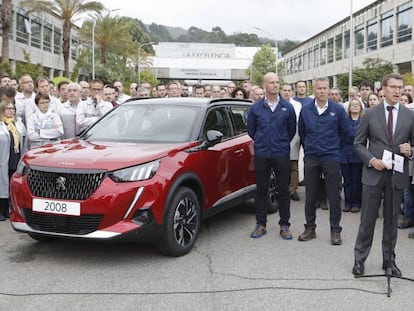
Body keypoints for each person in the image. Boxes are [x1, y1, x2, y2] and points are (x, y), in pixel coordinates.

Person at [352, 73, 414, 277]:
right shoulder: (370, 114)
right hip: (373, 174)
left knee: (391, 222)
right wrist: (371, 160)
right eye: (393, 87)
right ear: (383, 89)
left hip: (397, 176)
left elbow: (413, 145)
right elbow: (358, 144)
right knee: (367, 221)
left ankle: (389, 262)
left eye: (400, 88)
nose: (397, 91)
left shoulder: (410, 115)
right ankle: (359, 260)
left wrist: (410, 151)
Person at [298, 77, 349, 245]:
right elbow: (302, 133)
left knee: (334, 195)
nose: (322, 91)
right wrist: (310, 147)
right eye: (319, 88)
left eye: (325, 88)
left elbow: (345, 132)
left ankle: (335, 230)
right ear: (314, 89)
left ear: (329, 89)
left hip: (331, 156)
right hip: (312, 156)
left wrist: (334, 149)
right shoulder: (306, 110)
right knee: (310, 194)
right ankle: (310, 228)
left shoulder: (338, 109)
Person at [247, 72, 296, 240]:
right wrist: (262, 142)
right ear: (264, 85)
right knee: (261, 190)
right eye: (272, 82)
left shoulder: (287, 107)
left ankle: (285, 225)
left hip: (281, 153)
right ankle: (261, 224)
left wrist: (280, 143)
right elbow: (251, 130)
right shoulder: (255, 108)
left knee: (283, 190)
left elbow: (291, 130)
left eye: (277, 82)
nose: (275, 85)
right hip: (262, 154)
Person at [0, 100, 26, 220]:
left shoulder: (18, 123)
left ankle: (9, 210)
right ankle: (2, 210)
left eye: (13, 109)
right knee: (2, 184)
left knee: (11, 184)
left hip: (15, 158)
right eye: (8, 108)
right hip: (3, 158)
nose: (11, 111)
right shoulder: (1, 123)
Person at [340, 98, 364, 213]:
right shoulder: (344, 120)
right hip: (344, 154)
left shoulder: (364, 121)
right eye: (352, 105)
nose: (354, 106)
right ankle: (348, 202)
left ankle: (356, 203)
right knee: (347, 181)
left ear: (361, 107)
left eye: (357, 105)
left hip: (358, 155)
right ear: (349, 108)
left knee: (356, 180)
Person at [280, 83, 302, 201]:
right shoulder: (276, 104)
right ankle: (282, 189)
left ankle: (293, 189)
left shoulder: (297, 105)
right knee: (281, 165)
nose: (287, 92)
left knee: (293, 165)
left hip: (294, 137)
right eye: (285, 90)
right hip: (279, 138)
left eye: (289, 90)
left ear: (293, 92)